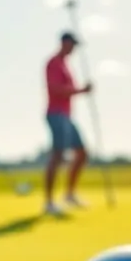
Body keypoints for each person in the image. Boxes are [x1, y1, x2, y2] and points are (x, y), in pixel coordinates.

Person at [43, 31, 92, 216]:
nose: (74, 48)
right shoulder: (54, 63)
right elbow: (55, 90)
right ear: (64, 42)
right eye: (72, 44)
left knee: (82, 153)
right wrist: (81, 90)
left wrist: (80, 91)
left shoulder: (65, 64)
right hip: (56, 114)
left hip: (66, 115)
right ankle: (48, 202)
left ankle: (69, 194)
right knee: (57, 156)